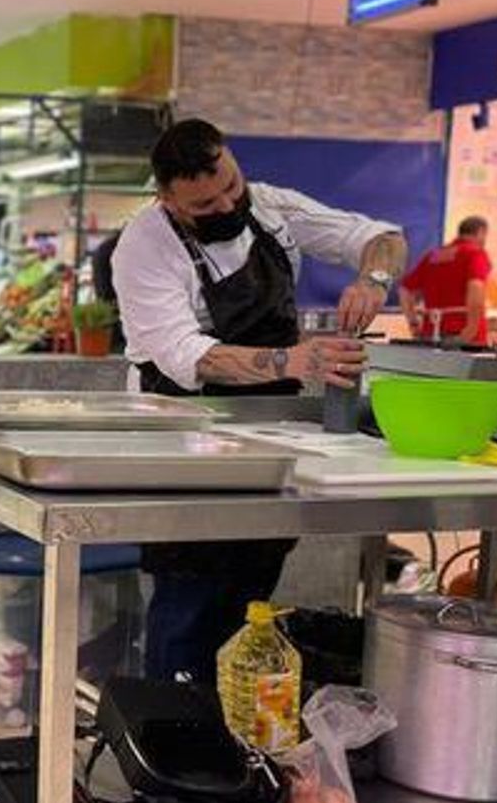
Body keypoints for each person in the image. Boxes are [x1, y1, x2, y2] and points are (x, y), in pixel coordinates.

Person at [112, 119, 407, 683]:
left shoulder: (271, 207)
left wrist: (372, 278)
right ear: (169, 202)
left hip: (270, 432)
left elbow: (381, 236)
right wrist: (294, 360)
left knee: (254, 580)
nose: (226, 203)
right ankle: (172, 736)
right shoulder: (145, 244)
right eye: (205, 203)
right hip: (180, 435)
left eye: (230, 185)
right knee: (190, 594)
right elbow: (185, 355)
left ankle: (236, 736)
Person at [400, 216, 493, 345]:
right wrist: (472, 328)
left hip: (430, 332)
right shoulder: (475, 253)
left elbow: (405, 290)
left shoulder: (433, 256)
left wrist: (413, 321)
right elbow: (476, 288)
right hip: (462, 333)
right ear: (481, 232)